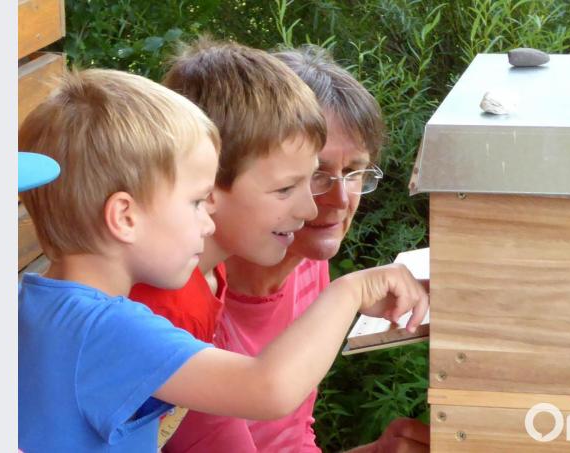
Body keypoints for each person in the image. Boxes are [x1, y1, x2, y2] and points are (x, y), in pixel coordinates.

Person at [17, 68, 428, 452]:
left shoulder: (34, 305)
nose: (208, 222)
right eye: (196, 202)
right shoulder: (108, 328)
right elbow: (267, 390)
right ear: (126, 217)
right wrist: (352, 290)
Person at [166, 45, 430, 452]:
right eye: (312, 176)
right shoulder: (180, 312)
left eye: (355, 171)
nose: (340, 200)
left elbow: (288, 440)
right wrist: (350, 292)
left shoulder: (304, 263)